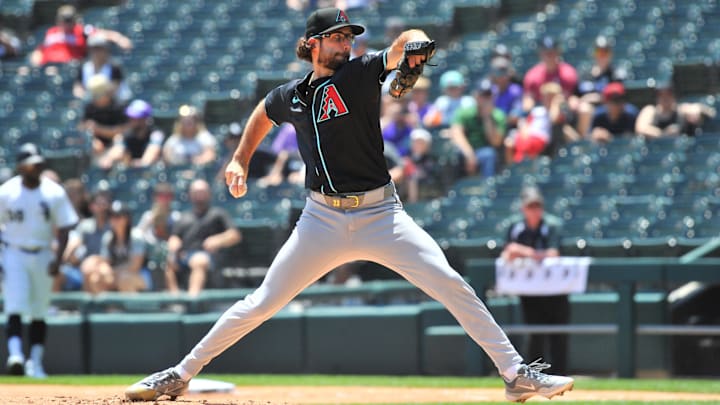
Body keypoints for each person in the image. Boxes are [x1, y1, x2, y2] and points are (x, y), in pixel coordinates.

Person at [125, 7, 573, 403]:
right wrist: (239, 159)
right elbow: (263, 112)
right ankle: (180, 374)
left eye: (349, 37)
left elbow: (401, 46)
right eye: (338, 37)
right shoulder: (291, 96)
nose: (347, 43)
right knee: (260, 303)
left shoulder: (358, 75)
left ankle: (515, 375)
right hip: (321, 218)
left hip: (382, 215)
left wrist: (414, 42)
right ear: (312, 45)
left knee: (450, 283)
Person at [0, 143, 78, 378]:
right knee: (14, 306)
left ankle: (35, 362)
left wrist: (58, 259)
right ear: (21, 167)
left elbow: (65, 228)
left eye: (38, 164)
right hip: (13, 252)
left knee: (39, 310)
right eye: (31, 164)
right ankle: (15, 356)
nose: (36, 168)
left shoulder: (53, 191)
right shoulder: (7, 191)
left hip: (43, 253)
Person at [500, 186, 568, 375]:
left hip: (555, 290)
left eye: (537, 206)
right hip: (529, 291)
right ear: (523, 208)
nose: (534, 210)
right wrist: (524, 253)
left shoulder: (552, 225)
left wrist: (525, 252)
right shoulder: (516, 227)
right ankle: (535, 375)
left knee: (558, 334)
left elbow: (553, 254)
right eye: (530, 206)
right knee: (534, 335)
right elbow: (506, 254)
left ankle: (560, 375)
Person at [164, 179, 241, 297]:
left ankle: (192, 299)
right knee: (168, 262)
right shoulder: (183, 217)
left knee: (199, 260)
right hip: (185, 255)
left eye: (202, 192)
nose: (199, 195)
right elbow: (175, 237)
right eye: (196, 192)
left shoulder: (218, 214)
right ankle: (175, 298)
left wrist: (218, 240)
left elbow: (235, 235)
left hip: (210, 256)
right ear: (190, 195)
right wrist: (173, 247)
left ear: (209, 194)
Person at [29, 5, 131, 67]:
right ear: (58, 20)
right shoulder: (51, 32)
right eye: (64, 19)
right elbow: (40, 50)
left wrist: (119, 38)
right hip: (48, 67)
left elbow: (103, 34)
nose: (66, 23)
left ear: (74, 20)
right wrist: (35, 61)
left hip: (69, 68)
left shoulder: (81, 30)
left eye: (69, 20)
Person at [449, 78, 506, 177]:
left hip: (484, 151)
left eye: (488, 96)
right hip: (466, 150)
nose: (485, 99)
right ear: (475, 96)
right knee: (451, 156)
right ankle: (452, 190)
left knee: (489, 154)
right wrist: (469, 155)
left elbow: (496, 142)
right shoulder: (464, 113)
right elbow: (456, 134)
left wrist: (487, 118)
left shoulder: (498, 115)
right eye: (482, 95)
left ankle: (488, 190)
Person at [64, 190, 113, 295]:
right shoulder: (85, 225)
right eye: (99, 204)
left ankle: (96, 308)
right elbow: (74, 242)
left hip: (107, 264)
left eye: (105, 204)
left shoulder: (113, 225)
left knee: (94, 272)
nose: (102, 208)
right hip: (86, 265)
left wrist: (93, 262)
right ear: (92, 206)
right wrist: (67, 255)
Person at [95, 201, 152, 293]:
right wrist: (104, 271)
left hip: (141, 275)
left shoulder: (136, 236)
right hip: (118, 274)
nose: (114, 220)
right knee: (96, 278)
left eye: (118, 216)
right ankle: (107, 307)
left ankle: (131, 307)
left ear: (127, 219)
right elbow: (105, 262)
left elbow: (135, 266)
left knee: (124, 278)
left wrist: (112, 272)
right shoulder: (108, 238)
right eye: (112, 216)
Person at [635, 81, 716, 138]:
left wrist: (698, 110)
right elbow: (640, 128)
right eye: (661, 94)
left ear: (674, 95)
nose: (665, 98)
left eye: (668, 94)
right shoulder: (650, 110)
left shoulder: (681, 109)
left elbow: (711, 112)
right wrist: (664, 134)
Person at [78, 74, 129, 164]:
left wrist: (99, 129)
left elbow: (122, 131)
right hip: (97, 149)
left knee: (119, 140)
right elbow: (81, 128)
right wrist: (93, 140)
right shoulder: (89, 107)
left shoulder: (118, 106)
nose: (95, 98)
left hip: (114, 146)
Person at [99, 99, 164, 169]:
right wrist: (109, 159)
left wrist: (140, 163)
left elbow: (149, 157)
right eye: (131, 118)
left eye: (136, 118)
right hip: (130, 172)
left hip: (151, 174)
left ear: (145, 119)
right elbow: (117, 149)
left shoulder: (155, 134)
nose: (132, 121)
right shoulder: (125, 135)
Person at [522, 36, 578, 113]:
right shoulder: (532, 75)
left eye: (551, 53)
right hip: (539, 110)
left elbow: (571, 98)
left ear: (558, 53)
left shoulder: (568, 73)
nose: (548, 56)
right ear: (540, 54)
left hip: (562, 111)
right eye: (546, 53)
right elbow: (528, 101)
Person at [73, 33, 130, 102]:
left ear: (106, 50)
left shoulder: (114, 67)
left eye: (99, 49)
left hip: (116, 105)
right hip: (92, 105)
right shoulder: (84, 67)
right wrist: (83, 95)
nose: (96, 52)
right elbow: (78, 88)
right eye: (94, 49)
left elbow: (115, 88)